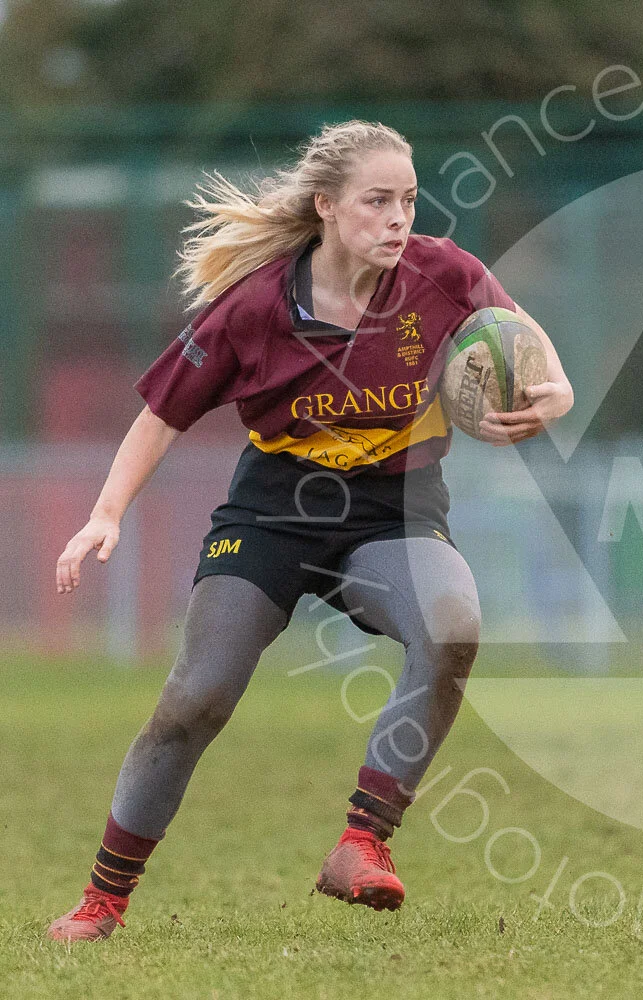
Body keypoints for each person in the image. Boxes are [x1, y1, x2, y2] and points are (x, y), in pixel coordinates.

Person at [46, 120, 573, 942]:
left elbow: (530, 350)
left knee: (453, 628)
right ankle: (101, 902)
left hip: (393, 509)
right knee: (197, 697)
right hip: (273, 513)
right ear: (326, 207)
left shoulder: (444, 274)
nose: (399, 219)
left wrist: (554, 395)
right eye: (377, 202)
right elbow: (160, 417)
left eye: (407, 200)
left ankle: (361, 844)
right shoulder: (254, 309)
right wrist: (105, 515)